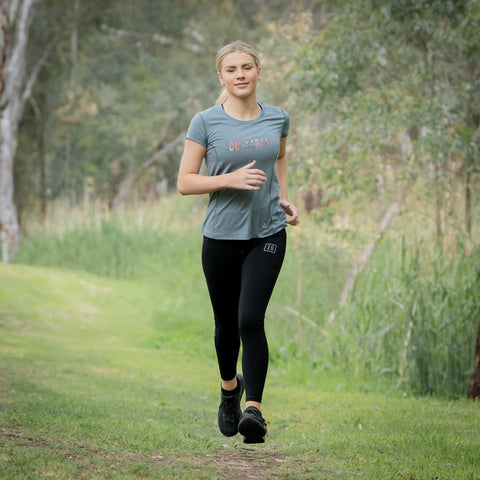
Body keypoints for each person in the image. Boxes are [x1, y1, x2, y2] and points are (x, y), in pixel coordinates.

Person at [177, 40, 299, 444]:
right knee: (226, 323)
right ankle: (231, 390)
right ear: (221, 76)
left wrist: (283, 197)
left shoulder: (277, 118)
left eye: (247, 67)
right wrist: (228, 179)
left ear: (258, 72)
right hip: (221, 237)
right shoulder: (206, 122)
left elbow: (278, 159)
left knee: (250, 318)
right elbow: (185, 182)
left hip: (267, 232)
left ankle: (255, 411)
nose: (240, 74)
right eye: (232, 69)